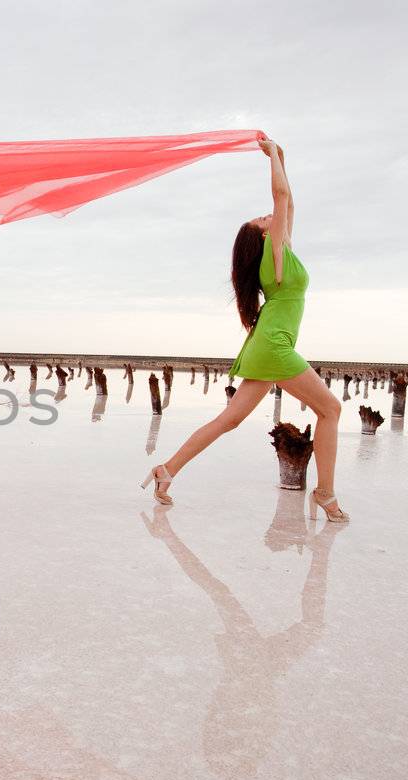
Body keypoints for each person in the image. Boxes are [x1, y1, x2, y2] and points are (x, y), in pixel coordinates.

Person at [141, 138, 348, 521]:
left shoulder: (282, 253)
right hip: (273, 346)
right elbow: (282, 196)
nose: (272, 217)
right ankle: (325, 492)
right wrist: (271, 157)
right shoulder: (274, 259)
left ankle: (165, 470)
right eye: (265, 219)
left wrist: (281, 156)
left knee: (229, 421)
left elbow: (289, 200)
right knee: (331, 409)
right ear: (263, 238)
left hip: (265, 346)